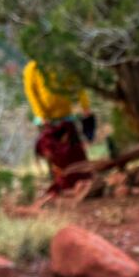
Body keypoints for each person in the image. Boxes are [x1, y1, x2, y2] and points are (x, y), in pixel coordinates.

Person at [22, 60, 96, 200]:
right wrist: (41, 115)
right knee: (53, 155)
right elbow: (32, 94)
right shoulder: (32, 68)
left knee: (74, 152)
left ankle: (81, 183)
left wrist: (85, 106)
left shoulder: (62, 64)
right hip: (46, 120)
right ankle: (60, 186)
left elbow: (77, 86)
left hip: (66, 116)